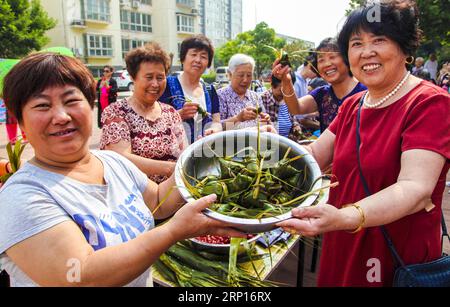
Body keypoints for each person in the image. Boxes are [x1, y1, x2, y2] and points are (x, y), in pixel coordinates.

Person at [0, 52, 243, 287]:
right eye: (42, 105)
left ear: (89, 105)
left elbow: (158, 201)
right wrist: (172, 232)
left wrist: (199, 158)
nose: (61, 116)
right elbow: (80, 276)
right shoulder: (21, 197)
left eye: (71, 100)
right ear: (20, 121)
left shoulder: (112, 162)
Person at [277, 1, 450, 287]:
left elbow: (415, 189)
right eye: (356, 43)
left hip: (393, 253)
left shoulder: (429, 103)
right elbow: (312, 157)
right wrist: (253, 154)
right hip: (341, 239)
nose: (367, 52)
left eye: (379, 40)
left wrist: (345, 217)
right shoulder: (353, 105)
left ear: (405, 49)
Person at [100, 43, 187, 184]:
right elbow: (120, 158)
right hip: (136, 198)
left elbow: (183, 154)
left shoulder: (171, 113)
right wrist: (171, 169)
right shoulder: (116, 112)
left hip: (172, 196)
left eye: (160, 77)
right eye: (149, 77)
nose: (155, 84)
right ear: (134, 78)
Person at [273, 38, 367, 134]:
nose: (327, 64)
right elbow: (295, 108)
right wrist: (286, 80)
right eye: (321, 60)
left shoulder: (367, 94)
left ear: (347, 58)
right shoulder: (322, 94)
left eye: (332, 57)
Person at [159, 35, 222, 143]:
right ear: (183, 58)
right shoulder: (166, 85)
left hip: (204, 152)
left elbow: (216, 121)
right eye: (193, 54)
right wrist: (179, 115)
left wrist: (214, 130)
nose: (198, 60)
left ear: (208, 63)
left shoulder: (210, 89)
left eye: (203, 56)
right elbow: (153, 122)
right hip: (174, 155)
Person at [218, 54, 272, 131]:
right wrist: (238, 118)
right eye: (241, 75)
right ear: (230, 75)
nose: (245, 80)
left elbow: (263, 123)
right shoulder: (220, 96)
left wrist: (266, 120)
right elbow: (216, 128)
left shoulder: (255, 97)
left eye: (249, 75)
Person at [261, 73, 305, 142]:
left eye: (288, 90)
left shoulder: (289, 99)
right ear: (272, 85)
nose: (285, 94)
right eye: (281, 90)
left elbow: (294, 119)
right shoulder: (262, 100)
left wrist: (296, 126)